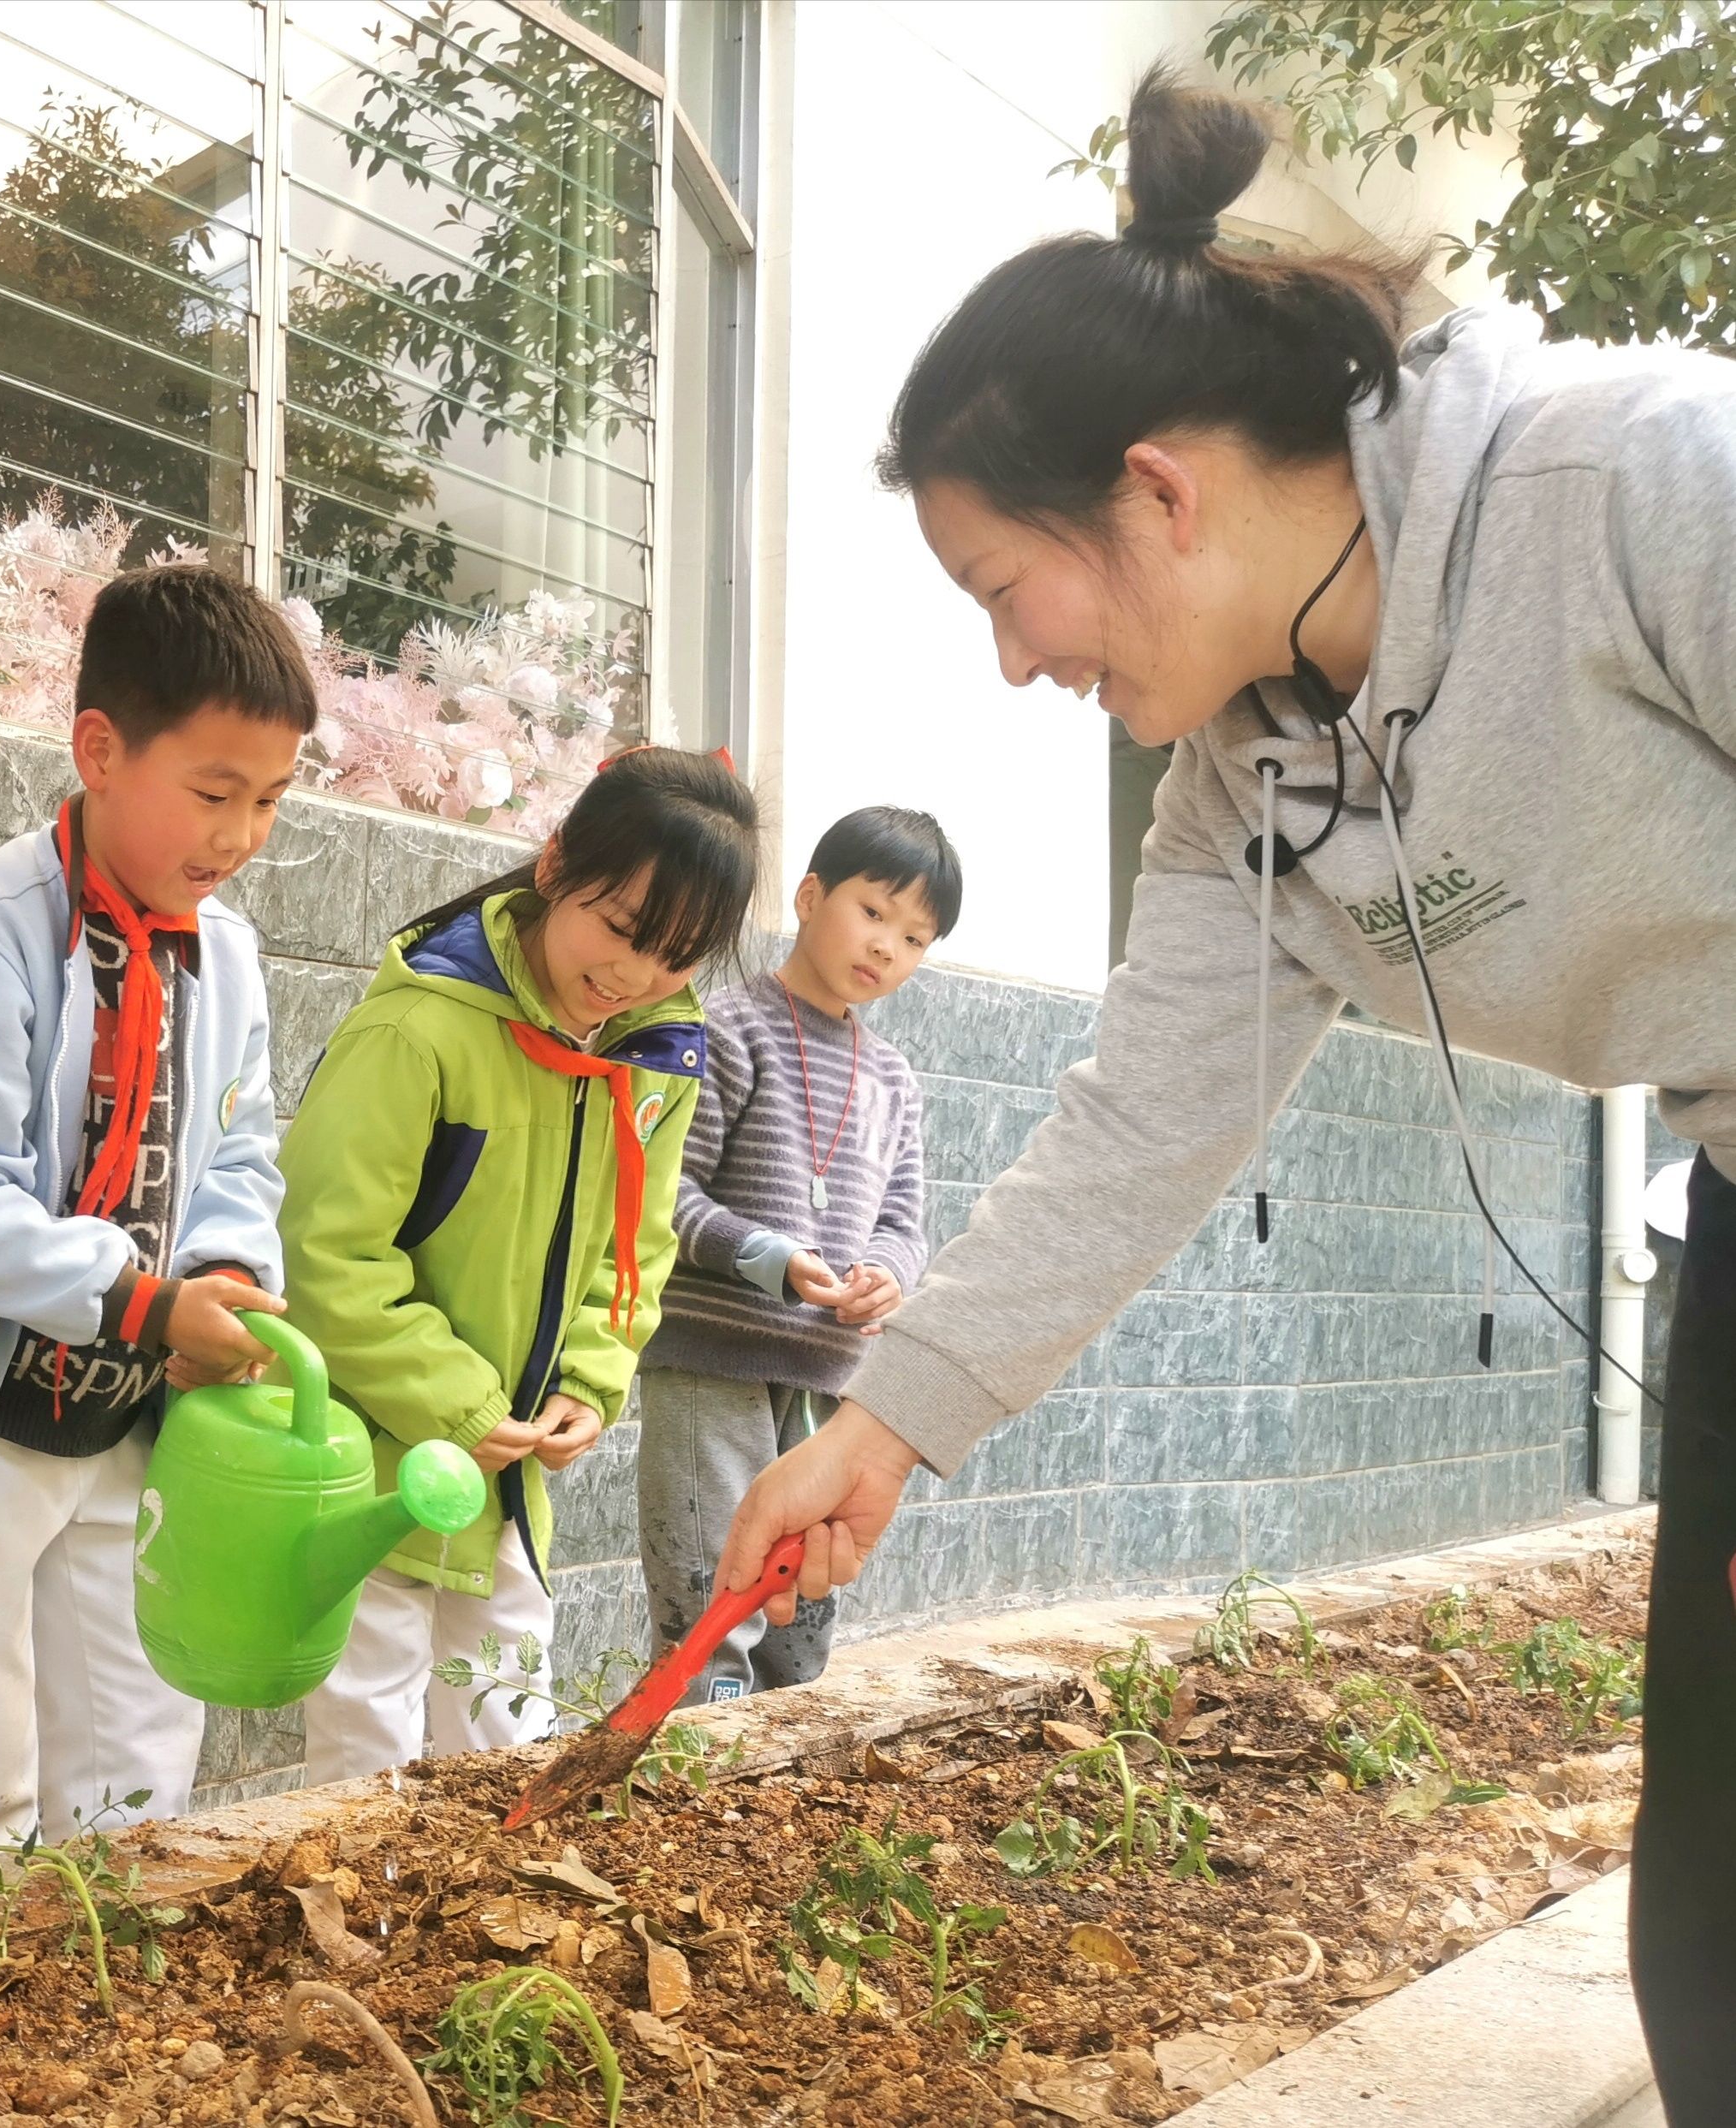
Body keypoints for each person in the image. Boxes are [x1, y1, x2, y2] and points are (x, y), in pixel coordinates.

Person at [711, 68, 1736, 2113]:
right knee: (1705, 1914)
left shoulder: (1644, 482)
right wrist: (886, 1428)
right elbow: (1130, 1133)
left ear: (1161, 493)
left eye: (1011, 591)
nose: (1013, 666)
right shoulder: (1232, 797)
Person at [0, 563, 306, 1845]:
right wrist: (146, 1304)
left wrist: (231, 1275)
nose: (237, 835)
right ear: (97, 748)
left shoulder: (225, 953)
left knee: (138, 1760)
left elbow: (241, 1153)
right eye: (211, 793)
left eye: (268, 802)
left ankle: (106, 2033)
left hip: (127, 1418)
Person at [281, 748, 758, 1781]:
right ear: (551, 868)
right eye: (621, 928)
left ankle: (480, 1946)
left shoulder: (654, 1056)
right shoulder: (416, 1031)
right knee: (366, 1752)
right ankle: (357, 1944)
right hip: (374, 1467)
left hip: (507, 1481)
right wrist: (455, 1403)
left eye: (674, 954)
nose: (632, 973)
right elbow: (323, 1252)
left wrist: (591, 1376)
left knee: (505, 1732)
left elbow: (635, 1247)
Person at [636, 807, 954, 1701]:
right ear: (809, 895)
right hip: (713, 1362)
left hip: (827, 1379)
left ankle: (764, 1805)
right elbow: (666, 1194)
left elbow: (904, 1219)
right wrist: (765, 1256)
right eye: (873, 910)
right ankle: (686, 1788)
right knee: (708, 1603)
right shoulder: (724, 1026)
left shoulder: (893, 1076)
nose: (886, 945)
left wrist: (890, 1273)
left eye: (915, 936)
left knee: (799, 1626)